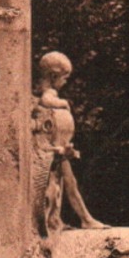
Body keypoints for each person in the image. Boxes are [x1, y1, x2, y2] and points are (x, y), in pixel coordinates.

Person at [32, 52, 108, 234]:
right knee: (68, 182)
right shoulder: (48, 92)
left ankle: (81, 219)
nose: (66, 82)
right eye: (65, 77)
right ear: (53, 76)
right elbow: (46, 100)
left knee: (66, 182)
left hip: (52, 149)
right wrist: (63, 103)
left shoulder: (37, 90)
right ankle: (85, 219)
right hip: (50, 148)